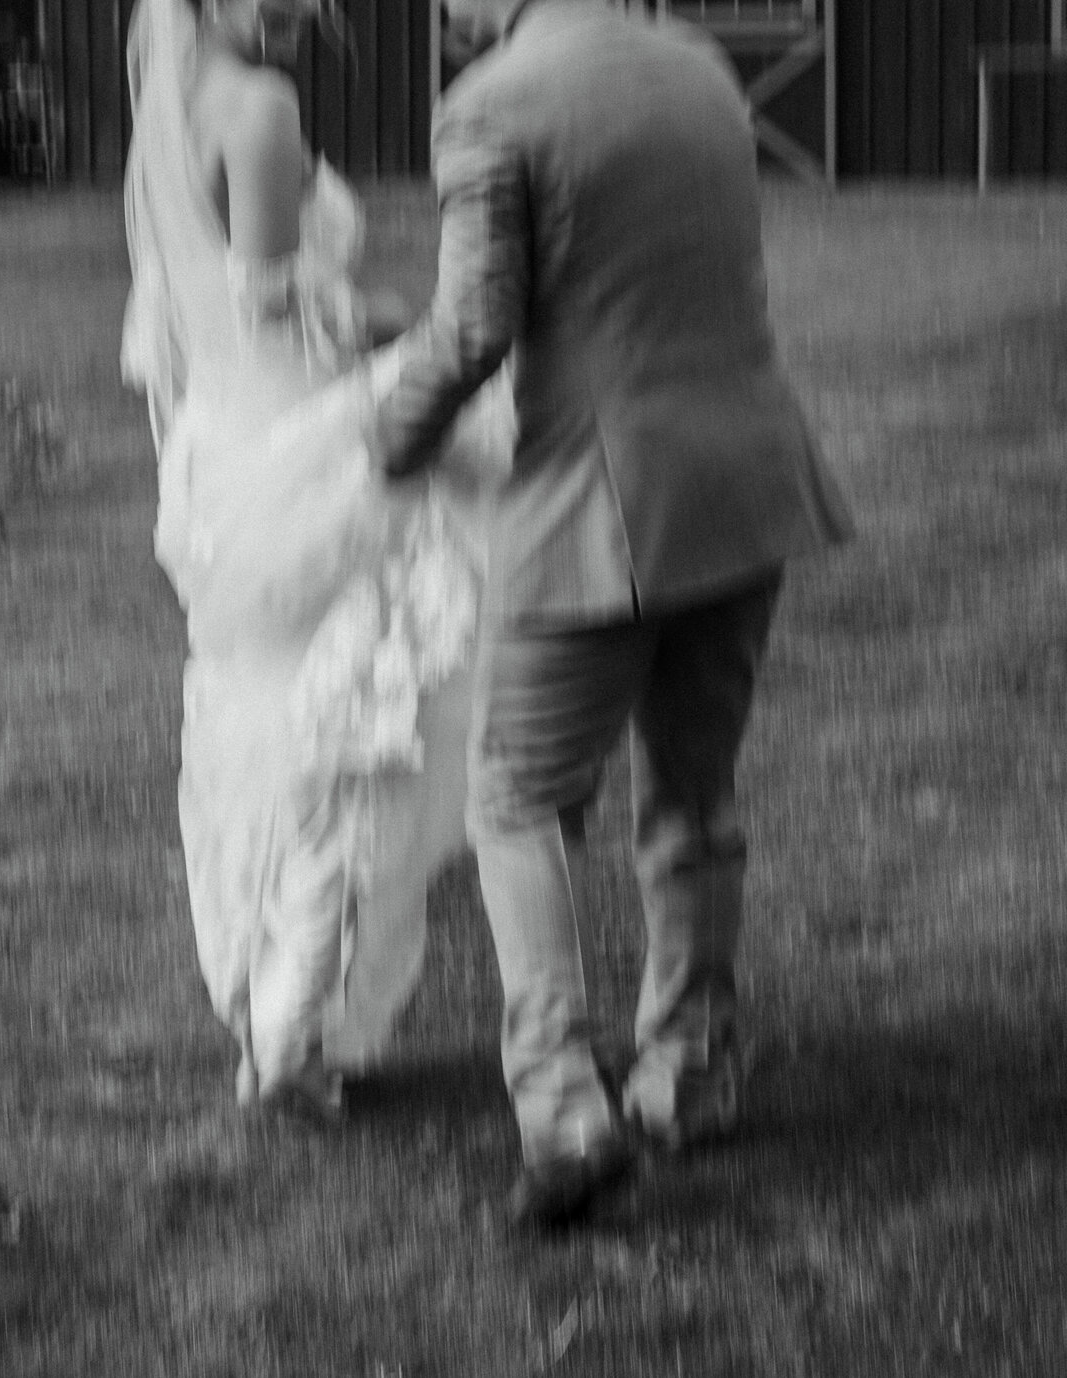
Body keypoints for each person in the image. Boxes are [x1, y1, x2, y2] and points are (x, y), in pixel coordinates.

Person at [367, 0, 854, 1227]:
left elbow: (476, 324)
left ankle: (562, 1099)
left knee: (517, 795)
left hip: (604, 497)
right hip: (747, 479)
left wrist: (385, 434)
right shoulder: (696, 67)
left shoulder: (493, 103)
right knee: (694, 792)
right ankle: (690, 1074)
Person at [122, 0, 508, 1119]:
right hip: (304, 455)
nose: (303, 10)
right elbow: (278, 303)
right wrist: (407, 319)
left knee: (265, 716)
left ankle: (266, 994)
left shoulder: (170, 119)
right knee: (360, 726)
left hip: (222, 458)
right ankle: (294, 1022)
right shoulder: (259, 109)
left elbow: (176, 324)